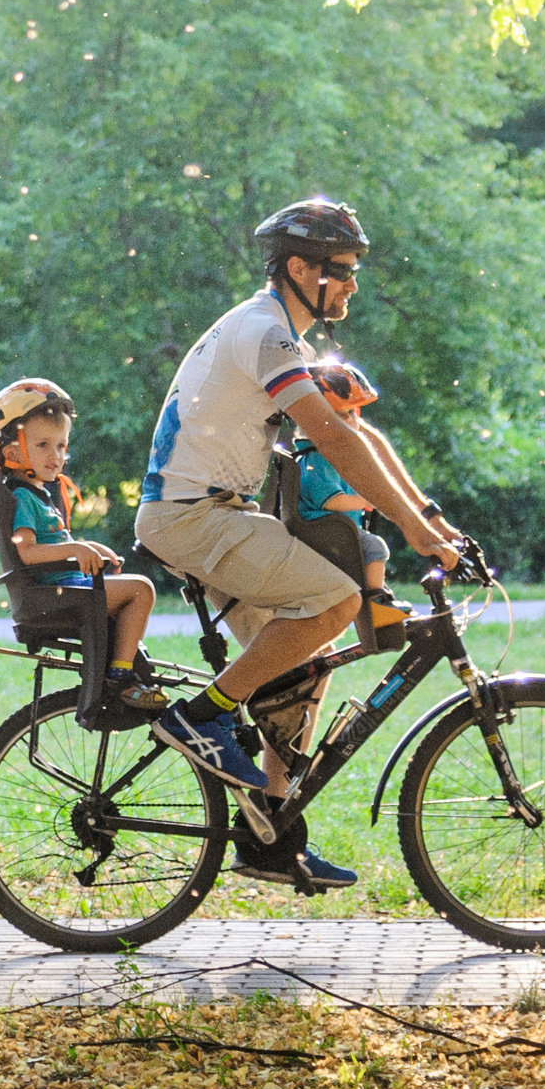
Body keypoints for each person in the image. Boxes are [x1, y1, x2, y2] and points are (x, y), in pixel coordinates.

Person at [135, 199, 461, 889]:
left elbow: (357, 434)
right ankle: (199, 717)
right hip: (192, 515)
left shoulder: (281, 335)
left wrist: (425, 513)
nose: (351, 284)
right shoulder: (266, 333)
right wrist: (408, 526)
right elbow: (336, 439)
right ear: (298, 268)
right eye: (340, 270)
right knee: (336, 600)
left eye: (353, 270)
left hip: (215, 513)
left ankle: (268, 836)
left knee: (300, 672)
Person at [0, 377, 163, 709]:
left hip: (64, 587)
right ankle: (119, 678)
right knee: (141, 590)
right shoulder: (23, 497)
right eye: (43, 445)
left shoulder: (38, 495)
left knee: (133, 592)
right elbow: (29, 551)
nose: (56, 456)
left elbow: (52, 541)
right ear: (14, 451)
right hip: (55, 594)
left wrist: (86, 546)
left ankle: (125, 669)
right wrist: (77, 550)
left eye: (61, 446)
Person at [288, 359, 408, 631]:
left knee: (369, 553)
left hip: (336, 530)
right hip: (327, 532)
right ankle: (376, 603)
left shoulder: (321, 455)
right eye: (345, 415)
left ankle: (377, 594)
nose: (355, 421)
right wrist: (367, 500)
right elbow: (330, 501)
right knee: (375, 548)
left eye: (354, 413)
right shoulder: (317, 459)